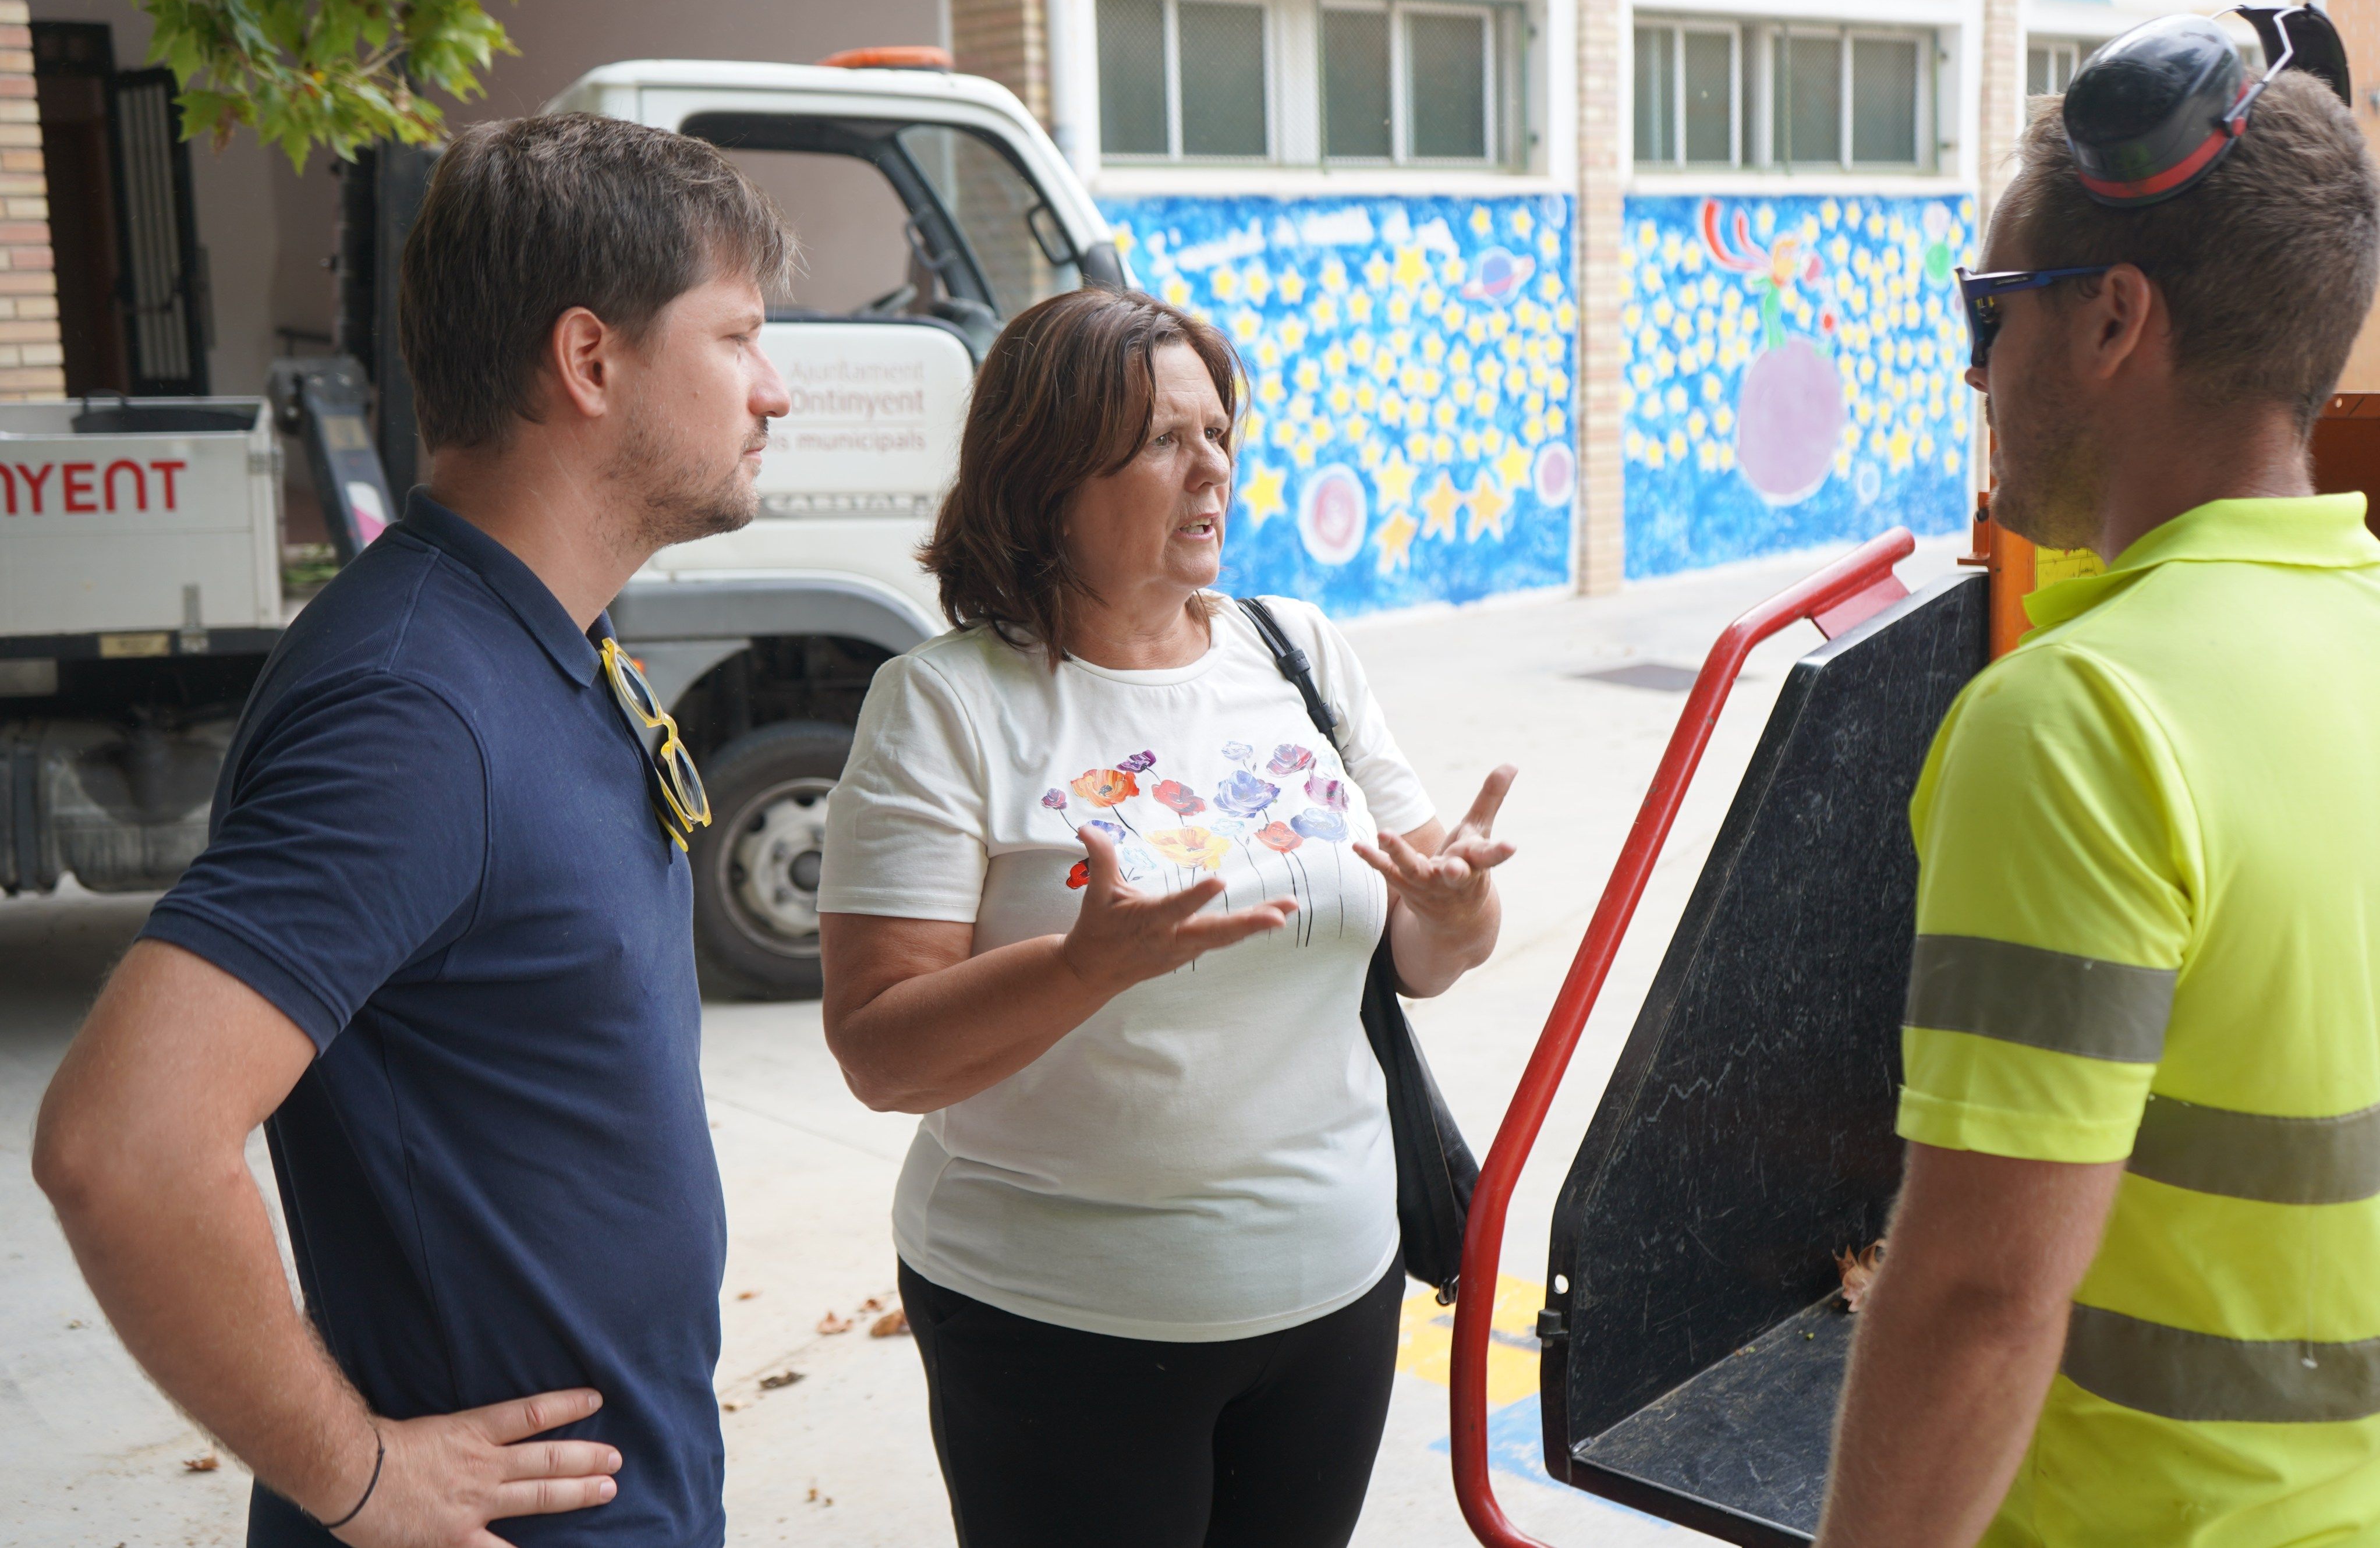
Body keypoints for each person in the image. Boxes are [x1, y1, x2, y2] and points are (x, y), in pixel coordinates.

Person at [31, 114, 791, 1546]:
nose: (778, 390)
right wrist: (362, 1477)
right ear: (590, 361)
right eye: (741, 337)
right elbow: (123, 1146)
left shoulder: (537, 629)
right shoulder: (414, 709)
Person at [817, 287, 1517, 1547]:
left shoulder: (1293, 650)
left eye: (1220, 431)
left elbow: (1423, 952)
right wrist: (1084, 970)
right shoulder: (945, 704)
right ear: (1045, 479)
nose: (1214, 468)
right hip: (1055, 1317)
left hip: (1333, 1286)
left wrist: (1459, 905)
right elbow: (880, 1052)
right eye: (1160, 441)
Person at [1816, 37, 2380, 1548]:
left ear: (2115, 317)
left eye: (1987, 315)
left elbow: (1981, 1299)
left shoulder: (2083, 721)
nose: (1974, 368)